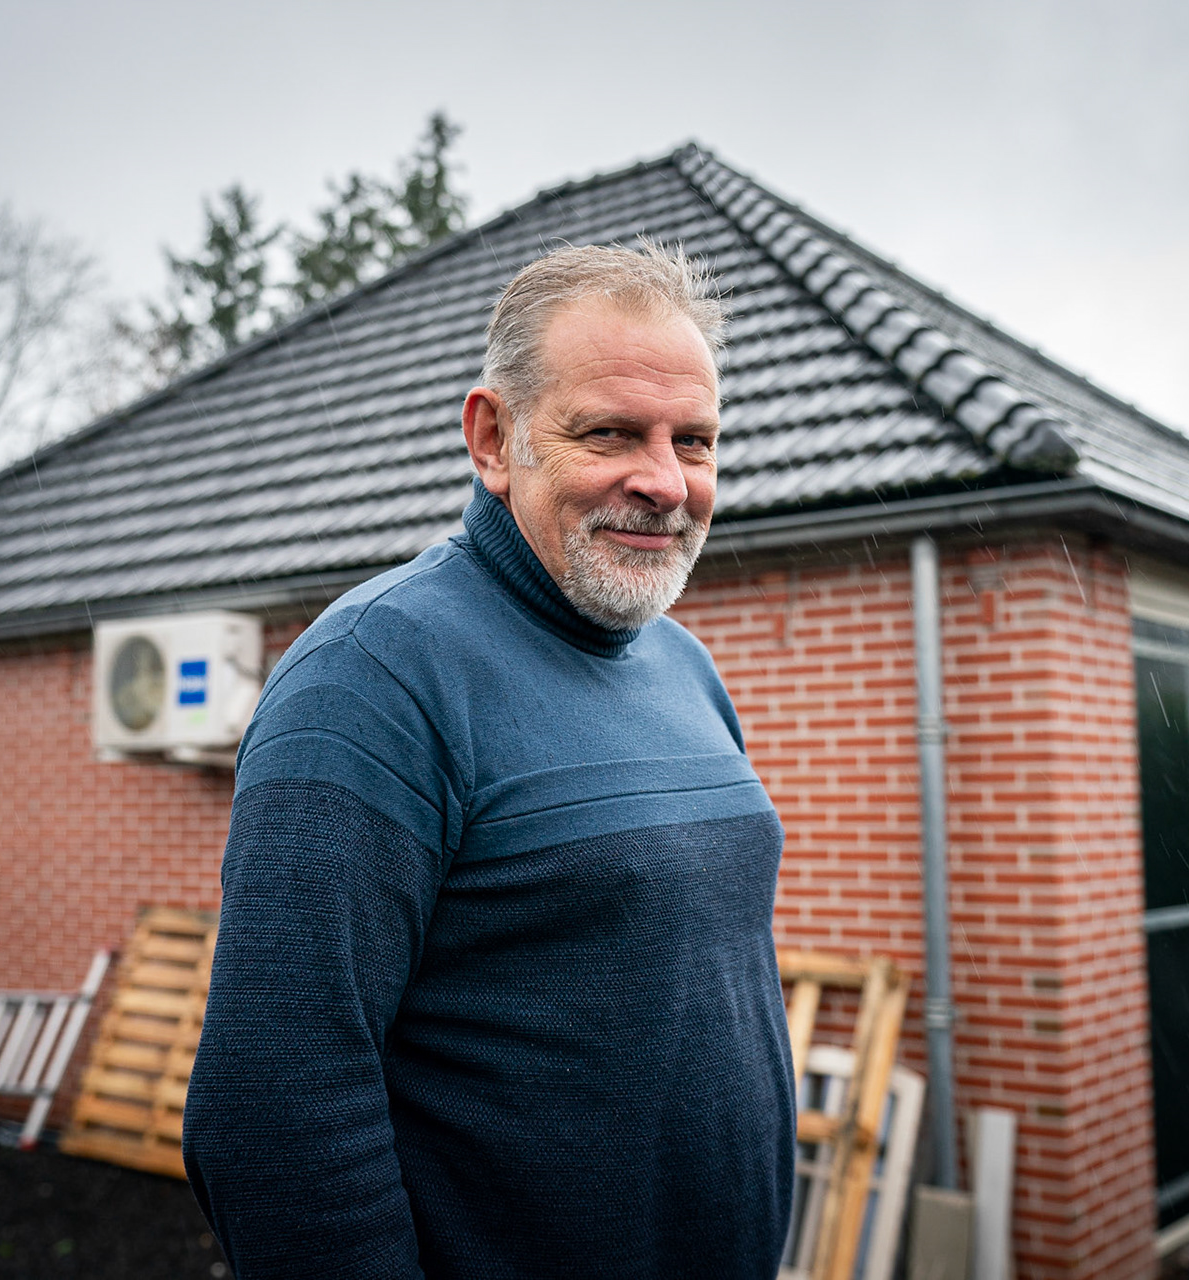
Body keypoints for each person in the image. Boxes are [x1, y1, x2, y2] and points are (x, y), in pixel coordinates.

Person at [183, 242, 793, 1278]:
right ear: (494, 436)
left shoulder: (685, 666)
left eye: (695, 440)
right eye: (610, 432)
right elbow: (273, 1108)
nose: (665, 480)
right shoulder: (372, 679)